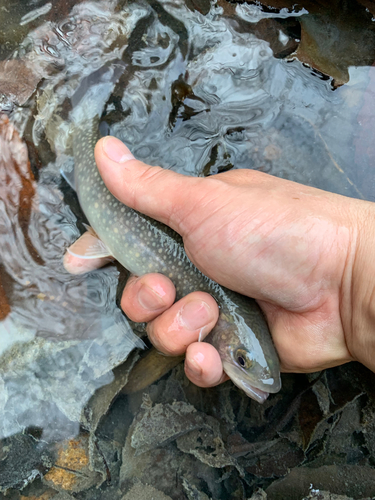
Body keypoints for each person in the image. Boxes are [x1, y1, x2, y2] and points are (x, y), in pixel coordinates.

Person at [64, 135, 375, 389]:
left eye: (242, 360)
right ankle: (80, 132)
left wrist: (351, 269)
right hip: (106, 195)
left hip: (105, 213)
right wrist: (349, 269)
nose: (242, 363)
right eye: (241, 358)